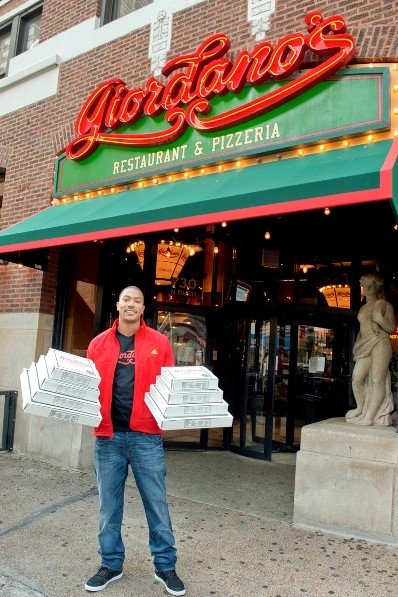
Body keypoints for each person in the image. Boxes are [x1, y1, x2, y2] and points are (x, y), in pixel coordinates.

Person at [84, 286, 185, 596]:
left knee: (156, 503)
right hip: (108, 437)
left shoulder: (160, 343)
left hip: (146, 438)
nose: (130, 304)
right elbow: (88, 388)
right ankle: (111, 564)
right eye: (126, 299)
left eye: (137, 301)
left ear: (143, 309)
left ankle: (166, 565)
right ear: (118, 304)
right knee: (108, 507)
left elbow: (170, 388)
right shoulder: (98, 344)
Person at [346, 274, 396, 426]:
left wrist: (380, 320)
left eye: (370, 286)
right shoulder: (362, 307)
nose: (366, 289)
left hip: (380, 341)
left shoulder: (385, 305)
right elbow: (362, 330)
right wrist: (357, 344)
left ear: (377, 287)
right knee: (357, 378)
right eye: (364, 286)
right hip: (365, 344)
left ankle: (370, 416)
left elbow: (392, 328)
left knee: (376, 379)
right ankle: (361, 408)